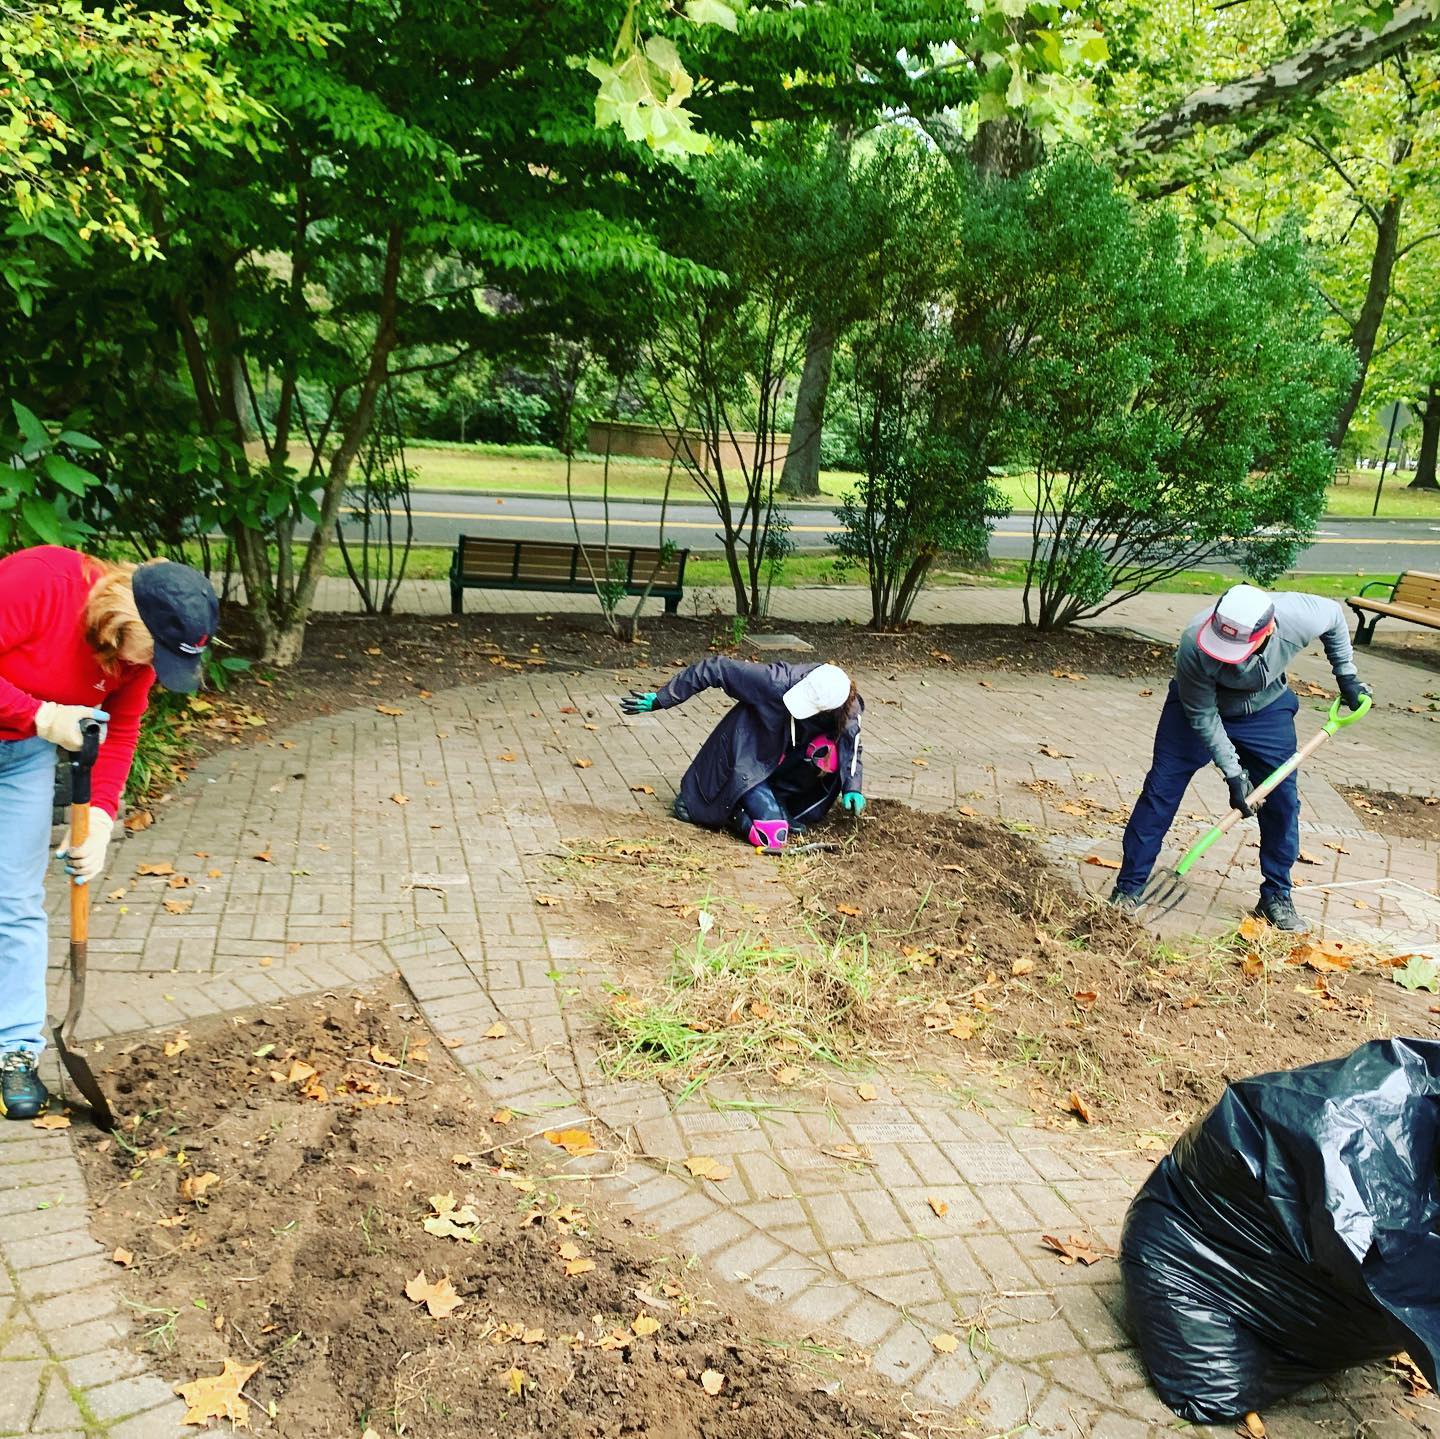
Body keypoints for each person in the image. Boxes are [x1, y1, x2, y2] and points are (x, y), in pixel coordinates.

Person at [0, 547, 218, 1119]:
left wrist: (99, 815)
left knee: (16, 902)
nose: (152, 667)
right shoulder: (41, 583)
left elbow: (119, 732)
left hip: (21, 757)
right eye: (156, 651)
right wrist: (41, 716)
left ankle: (15, 1053)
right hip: (28, 728)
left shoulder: (135, 663)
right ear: (129, 618)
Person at [1110, 584, 1370, 932]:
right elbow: (1203, 716)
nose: (1226, 657)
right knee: (1161, 789)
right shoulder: (1194, 642)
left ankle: (1276, 894)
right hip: (1198, 710)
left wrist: (1346, 674)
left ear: (1270, 631)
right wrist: (1233, 774)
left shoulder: (1298, 616)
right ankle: (1128, 887)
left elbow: (1335, 617)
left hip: (1266, 709)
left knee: (1282, 801)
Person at [620, 659, 864, 853]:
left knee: (830, 758)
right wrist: (663, 698)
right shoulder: (774, 681)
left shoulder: (847, 707)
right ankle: (723, 808)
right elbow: (715, 668)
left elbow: (852, 746)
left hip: (781, 763)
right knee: (773, 836)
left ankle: (779, 804)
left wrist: (853, 787)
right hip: (749, 757)